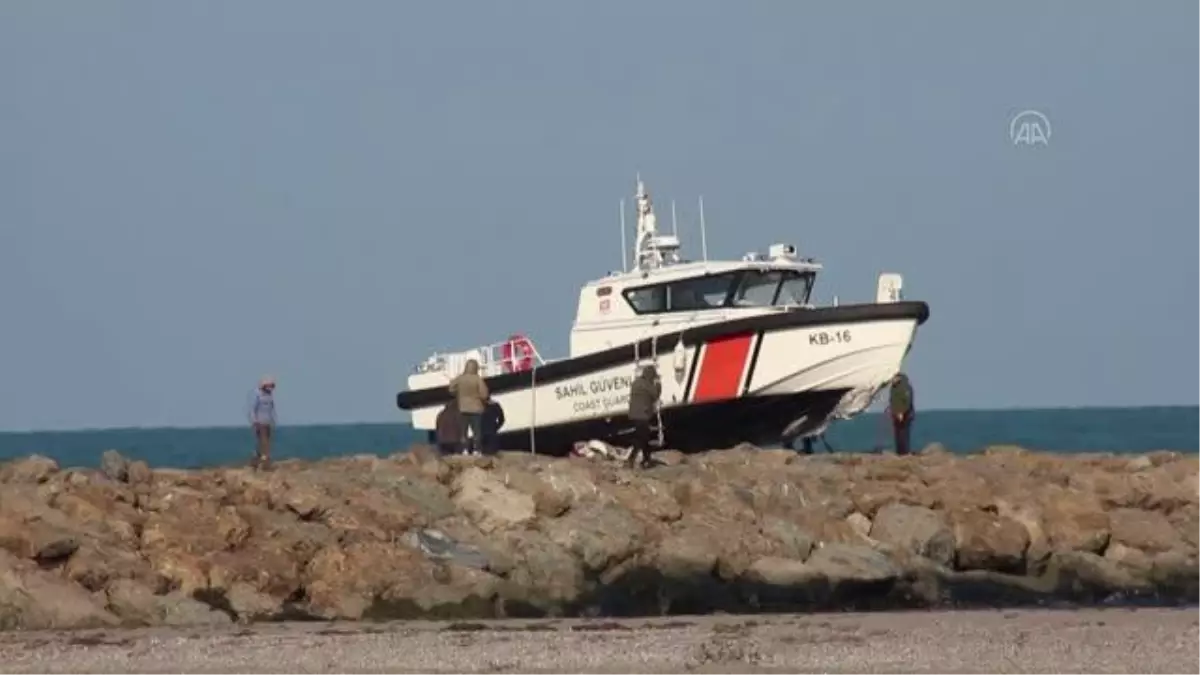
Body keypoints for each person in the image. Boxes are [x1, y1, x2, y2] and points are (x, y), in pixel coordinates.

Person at [449, 359, 489, 455]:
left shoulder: (460, 378)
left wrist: (457, 393)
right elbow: (484, 394)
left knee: (463, 431)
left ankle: (465, 450)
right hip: (476, 408)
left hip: (463, 408)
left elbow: (451, 388)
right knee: (477, 431)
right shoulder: (477, 379)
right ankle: (476, 450)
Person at [626, 365, 662, 469]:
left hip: (633, 415)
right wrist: (658, 384)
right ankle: (631, 459)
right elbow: (655, 395)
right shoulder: (647, 384)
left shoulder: (636, 383)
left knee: (644, 437)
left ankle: (646, 459)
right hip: (642, 415)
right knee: (642, 438)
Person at [248, 376, 277, 470]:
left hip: (267, 422)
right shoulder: (258, 395)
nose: (271, 388)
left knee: (264, 443)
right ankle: (265, 463)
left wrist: (273, 420)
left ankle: (255, 460)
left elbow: (272, 409)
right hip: (259, 422)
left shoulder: (270, 396)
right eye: (269, 385)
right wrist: (254, 421)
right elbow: (252, 409)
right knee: (264, 443)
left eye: (272, 386)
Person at [887, 372, 915, 456]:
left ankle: (905, 452)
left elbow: (907, 402)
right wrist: (891, 409)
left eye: (894, 378)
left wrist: (901, 412)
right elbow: (894, 400)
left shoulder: (905, 387)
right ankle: (899, 451)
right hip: (896, 413)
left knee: (904, 433)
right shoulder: (893, 387)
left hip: (906, 414)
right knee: (897, 433)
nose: (892, 379)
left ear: (899, 378)